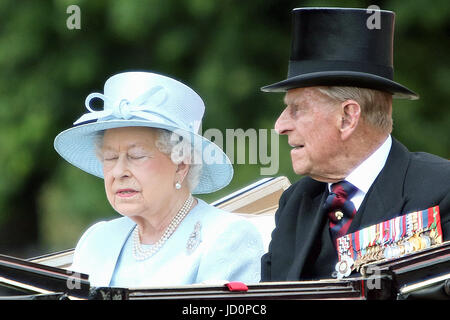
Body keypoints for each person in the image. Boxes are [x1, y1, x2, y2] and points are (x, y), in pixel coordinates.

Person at [260, 7, 450, 281]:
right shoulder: (295, 202)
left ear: (348, 117)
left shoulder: (441, 191)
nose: (280, 126)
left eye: (297, 109)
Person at [54, 71, 264, 287]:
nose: (118, 172)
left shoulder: (226, 237)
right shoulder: (96, 240)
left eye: (136, 156)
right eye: (110, 157)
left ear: (181, 164)